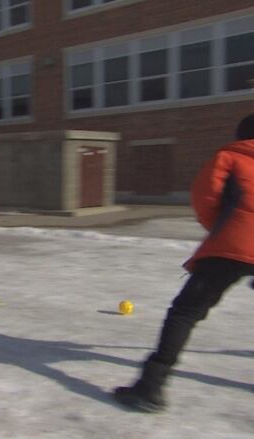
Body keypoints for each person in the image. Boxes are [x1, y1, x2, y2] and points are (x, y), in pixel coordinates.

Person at [114, 114, 254, 412]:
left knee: (185, 312)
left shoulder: (230, 156)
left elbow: (205, 197)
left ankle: (149, 389)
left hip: (232, 246)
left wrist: (219, 229)